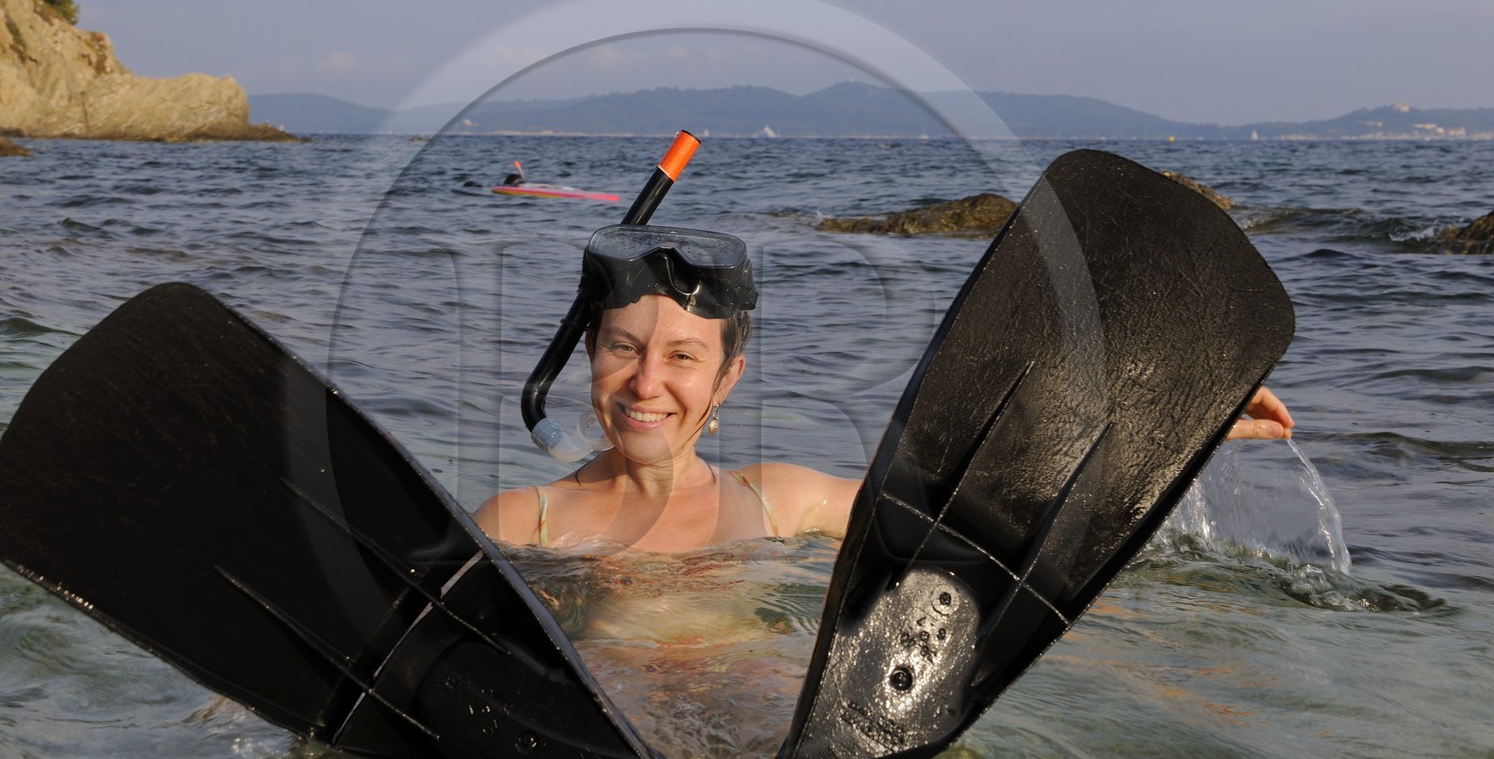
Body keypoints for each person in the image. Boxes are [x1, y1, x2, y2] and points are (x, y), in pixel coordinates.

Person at [474, 225, 1294, 554]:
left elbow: (974, 517)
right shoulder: (520, 524)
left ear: (728, 381)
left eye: (684, 359)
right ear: (588, 353)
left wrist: (1173, 421)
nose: (647, 381)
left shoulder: (780, 503)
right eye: (624, 347)